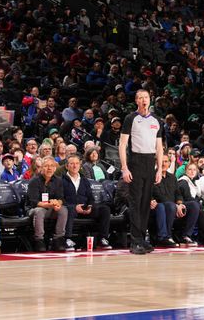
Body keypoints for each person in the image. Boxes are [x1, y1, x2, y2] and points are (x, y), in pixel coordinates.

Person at [119, 89, 164, 255]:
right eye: (140, 98)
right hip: (135, 161)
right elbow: (123, 144)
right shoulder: (131, 118)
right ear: (136, 101)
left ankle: (142, 239)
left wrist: (159, 169)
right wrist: (124, 167)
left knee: (146, 203)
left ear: (150, 99)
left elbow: (159, 147)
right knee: (135, 202)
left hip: (150, 163)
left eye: (146, 97)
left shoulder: (156, 120)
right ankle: (135, 241)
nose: (143, 100)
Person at [62, 155, 112, 250]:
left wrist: (89, 206)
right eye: (72, 164)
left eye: (77, 163)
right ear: (67, 166)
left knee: (105, 209)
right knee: (68, 209)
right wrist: (74, 207)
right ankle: (67, 239)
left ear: (80, 166)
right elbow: (60, 198)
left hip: (85, 209)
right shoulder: (61, 180)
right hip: (71, 209)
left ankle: (103, 238)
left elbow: (90, 197)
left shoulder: (84, 180)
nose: (74, 166)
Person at [26, 156, 68, 252]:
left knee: (63, 210)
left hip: (50, 208)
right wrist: (50, 205)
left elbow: (61, 198)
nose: (49, 168)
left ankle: (58, 239)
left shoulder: (58, 180)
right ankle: (39, 240)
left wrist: (58, 203)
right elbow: (34, 202)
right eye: (46, 166)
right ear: (41, 168)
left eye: (52, 166)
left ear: (55, 168)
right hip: (34, 209)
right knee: (40, 211)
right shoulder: (34, 181)